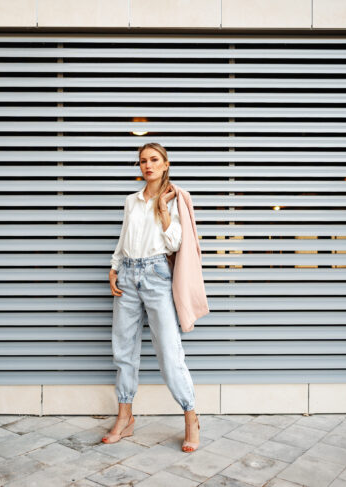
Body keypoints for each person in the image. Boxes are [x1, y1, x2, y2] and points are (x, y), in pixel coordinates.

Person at [101, 142, 201, 452]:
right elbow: (124, 237)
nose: (148, 165)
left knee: (170, 353)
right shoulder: (131, 201)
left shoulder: (175, 199)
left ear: (166, 163)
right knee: (123, 350)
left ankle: (191, 418)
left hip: (157, 276)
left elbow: (175, 244)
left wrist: (161, 210)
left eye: (154, 159)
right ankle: (125, 417)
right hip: (128, 276)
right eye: (143, 161)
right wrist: (114, 267)